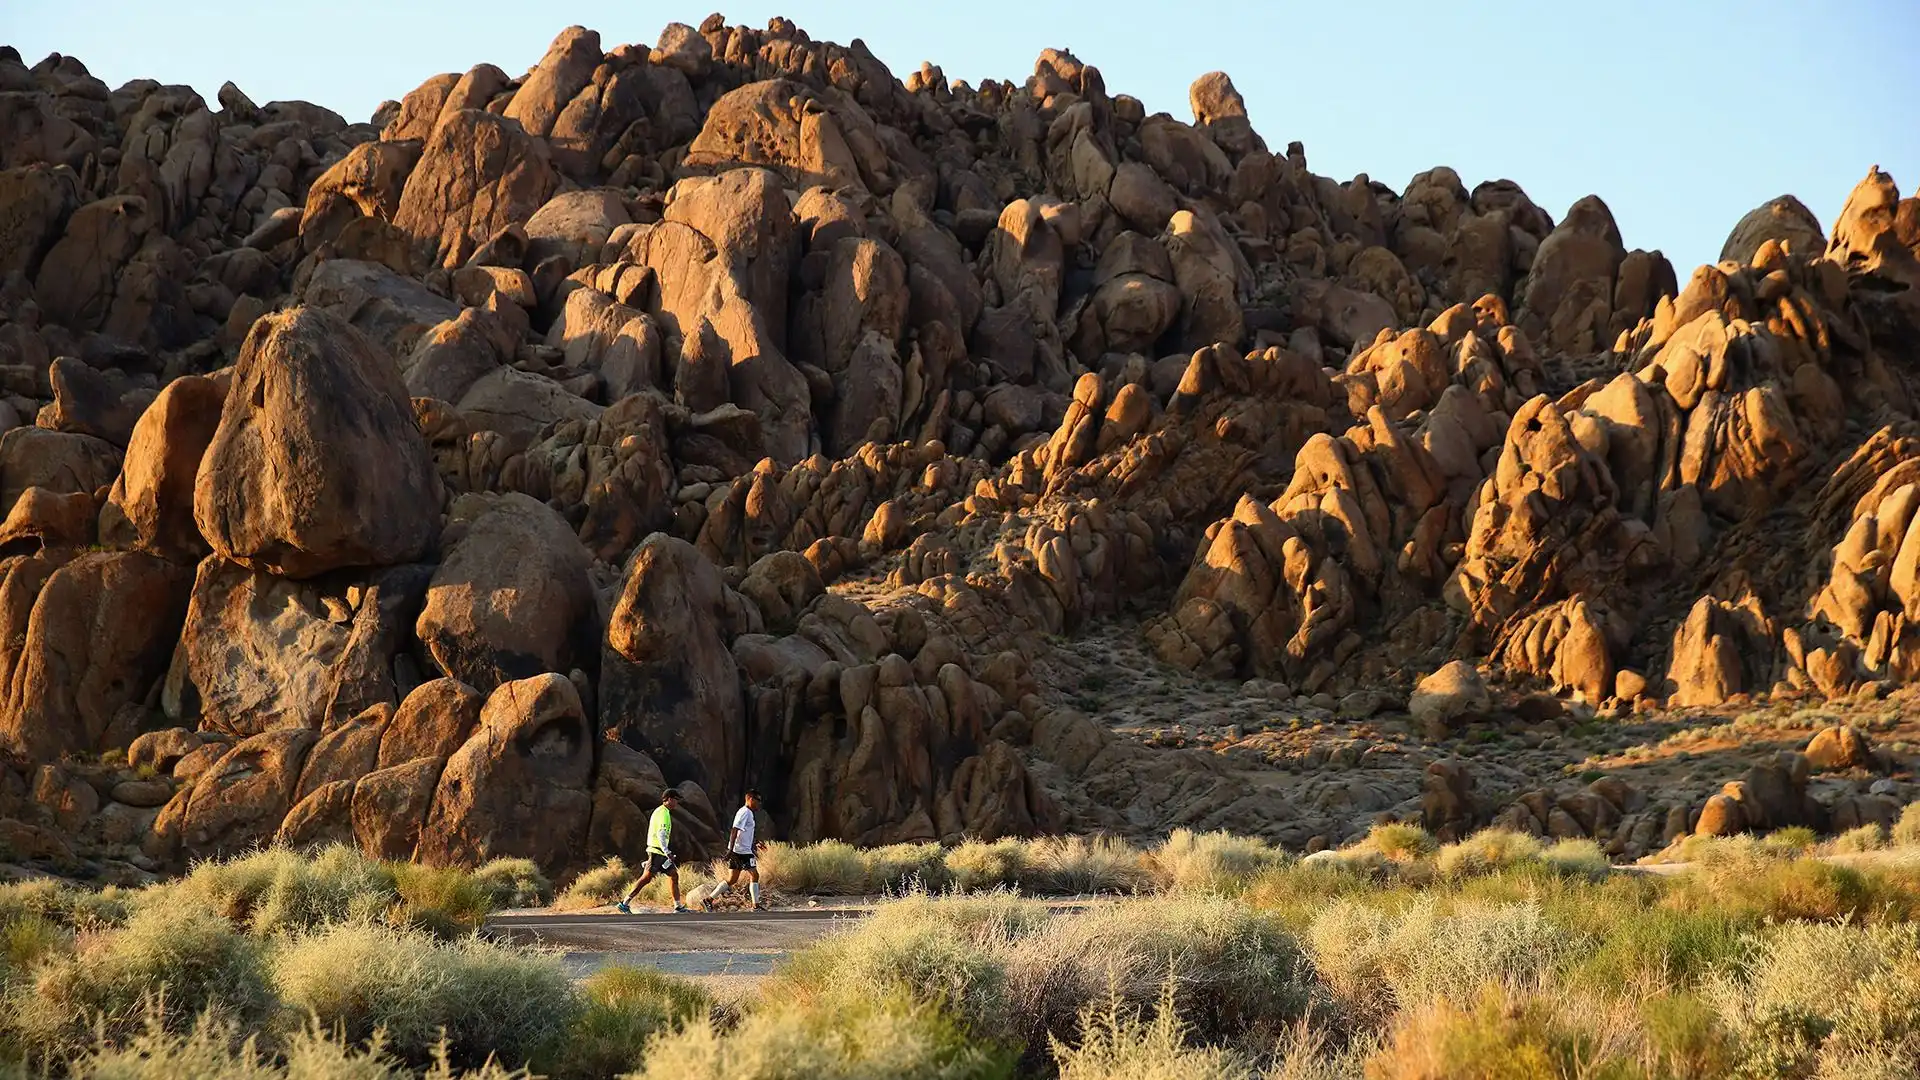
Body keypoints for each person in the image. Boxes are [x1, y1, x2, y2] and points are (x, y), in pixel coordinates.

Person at [617, 789, 687, 914]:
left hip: (659, 852)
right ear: (669, 799)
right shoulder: (663, 813)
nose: (677, 802)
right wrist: (667, 851)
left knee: (674, 875)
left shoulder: (660, 811)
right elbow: (661, 834)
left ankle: (678, 907)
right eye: (676, 799)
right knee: (646, 879)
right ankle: (624, 903)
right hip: (657, 852)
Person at [704, 789, 766, 911]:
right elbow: (734, 830)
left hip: (741, 850)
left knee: (732, 879)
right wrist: (730, 850)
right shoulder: (745, 812)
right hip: (742, 852)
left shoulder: (748, 813)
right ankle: (756, 906)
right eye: (758, 800)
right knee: (754, 874)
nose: (759, 803)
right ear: (750, 799)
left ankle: (708, 900)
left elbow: (745, 833)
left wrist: (756, 842)